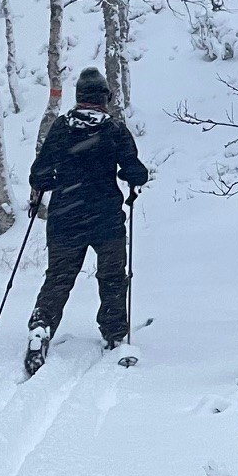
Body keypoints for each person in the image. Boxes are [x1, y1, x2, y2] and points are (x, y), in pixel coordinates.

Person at [24, 66, 149, 375]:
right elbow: (135, 171)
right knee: (112, 277)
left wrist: (58, 181)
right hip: (105, 218)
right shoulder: (114, 130)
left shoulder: (61, 128)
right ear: (104, 98)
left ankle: (41, 326)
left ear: (79, 97)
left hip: (65, 217)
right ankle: (114, 333)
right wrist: (130, 177)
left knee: (59, 278)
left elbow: (39, 174)